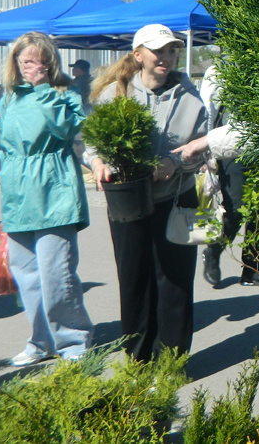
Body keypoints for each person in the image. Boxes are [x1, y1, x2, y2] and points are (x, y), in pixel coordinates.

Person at [85, 23, 208, 361]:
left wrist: (174, 163)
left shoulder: (192, 99)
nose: (165, 56)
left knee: (175, 284)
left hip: (177, 199)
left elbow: (204, 149)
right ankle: (137, 361)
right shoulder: (115, 94)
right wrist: (96, 162)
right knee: (134, 281)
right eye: (158, 50)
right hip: (127, 201)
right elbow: (91, 142)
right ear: (138, 55)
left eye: (171, 50)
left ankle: (172, 361)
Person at [0, 32, 94, 366]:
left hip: (55, 192)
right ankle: (40, 341)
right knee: (27, 277)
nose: (31, 68)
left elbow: (68, 130)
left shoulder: (65, 92)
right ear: (15, 63)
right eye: (25, 61)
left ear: (50, 62)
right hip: (17, 196)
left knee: (57, 275)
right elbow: (7, 146)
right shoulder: (9, 97)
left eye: (38, 61)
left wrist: (43, 89)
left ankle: (73, 343)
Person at [195, 64, 259, 288]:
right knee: (236, 209)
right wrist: (206, 151)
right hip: (231, 148)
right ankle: (213, 251)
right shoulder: (221, 69)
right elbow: (208, 109)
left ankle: (252, 269)